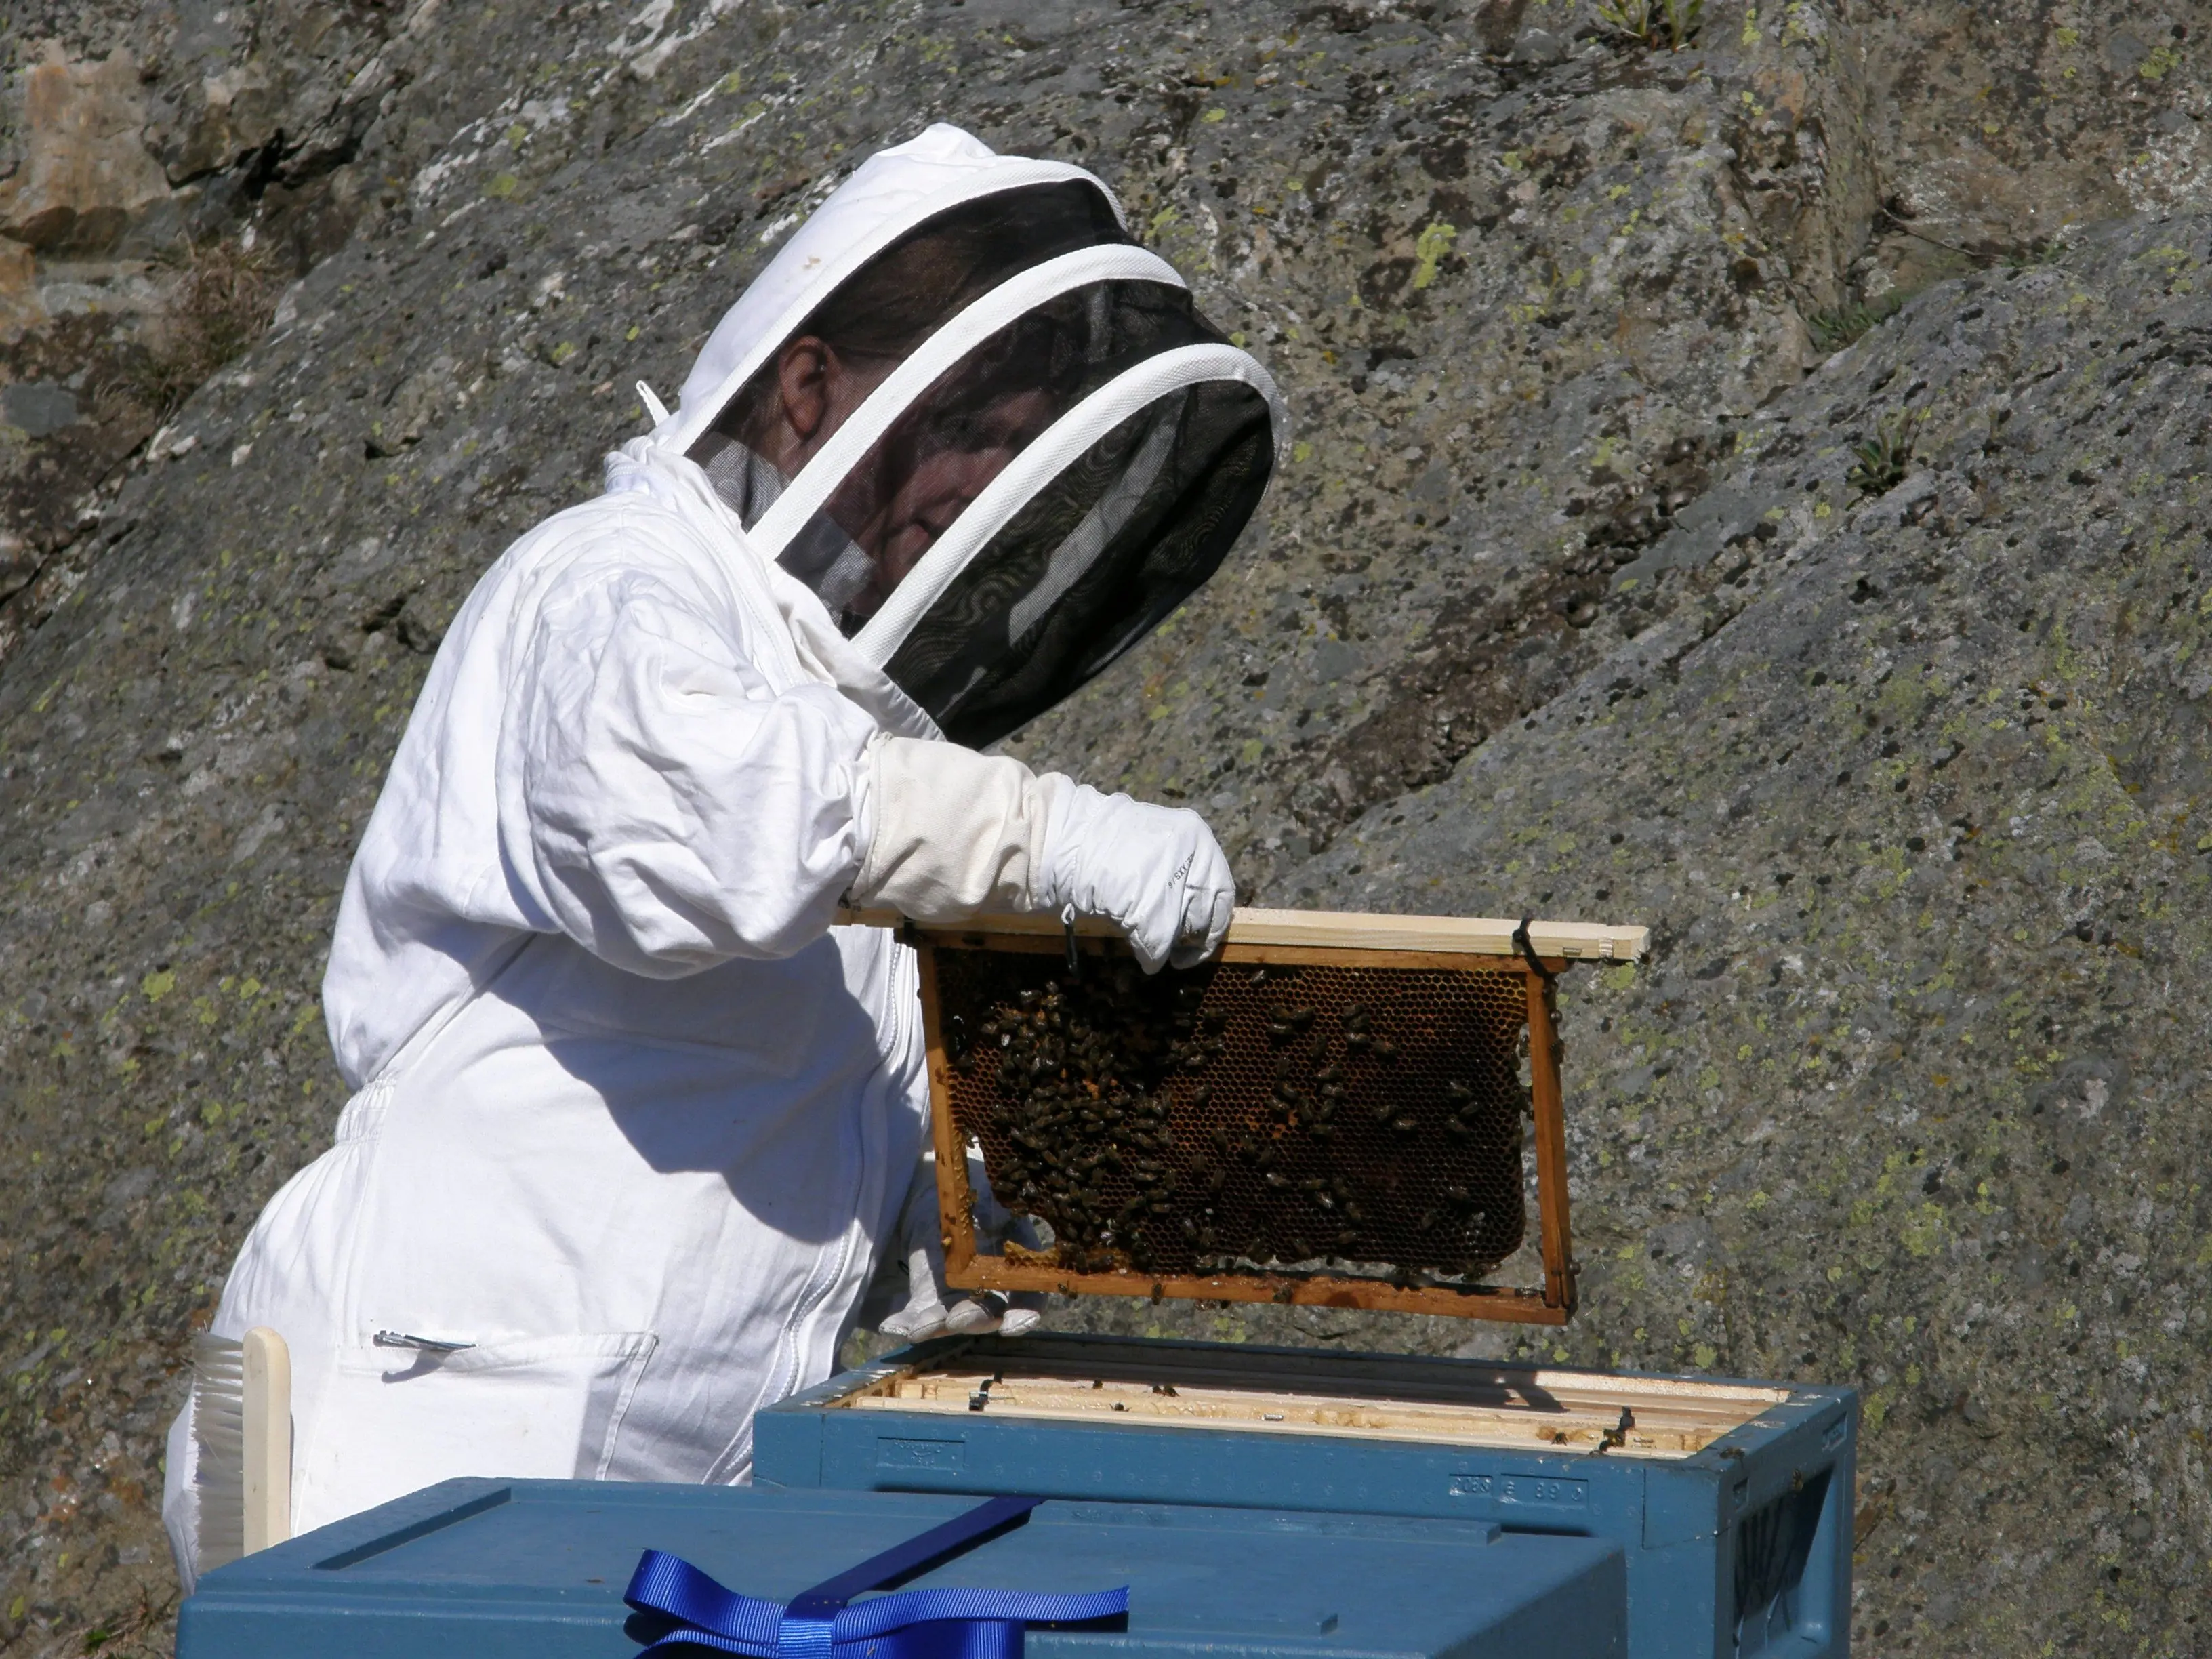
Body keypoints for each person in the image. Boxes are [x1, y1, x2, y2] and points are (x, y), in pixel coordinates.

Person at [162, 123, 1286, 1584]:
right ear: (809, 388)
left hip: (668, 1509)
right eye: (967, 423)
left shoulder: (840, 744)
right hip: (399, 1447)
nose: (987, 476)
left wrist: (937, 1231)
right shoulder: (610, 585)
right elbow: (695, 834)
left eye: (1018, 443)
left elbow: (792, 1073)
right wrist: (1038, 830)